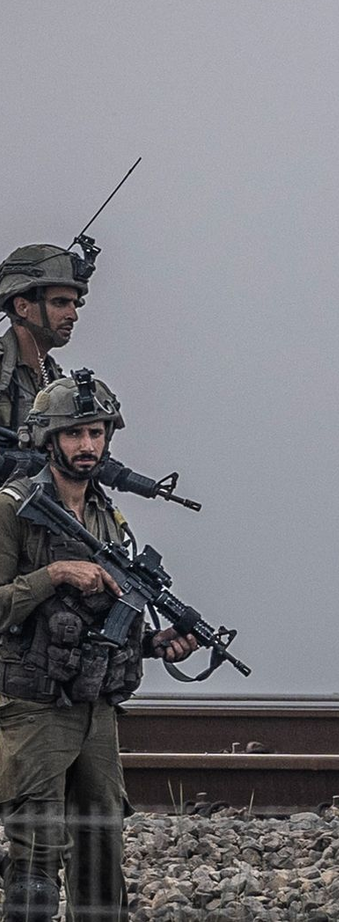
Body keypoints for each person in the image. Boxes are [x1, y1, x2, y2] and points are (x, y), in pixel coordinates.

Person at [0, 374, 195, 922]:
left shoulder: (106, 516)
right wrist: (54, 574)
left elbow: (98, 617)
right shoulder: (13, 508)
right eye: (75, 434)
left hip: (95, 709)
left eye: (96, 432)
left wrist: (156, 644)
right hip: (34, 707)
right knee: (36, 861)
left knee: (101, 857)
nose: (88, 446)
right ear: (49, 438)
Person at [0, 245, 94, 430]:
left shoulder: (58, 383)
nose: (73, 315)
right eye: (60, 303)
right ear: (22, 307)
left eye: (75, 304)